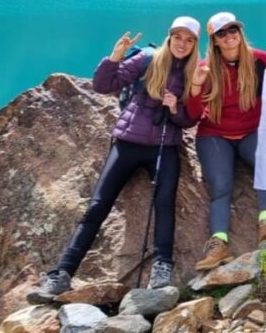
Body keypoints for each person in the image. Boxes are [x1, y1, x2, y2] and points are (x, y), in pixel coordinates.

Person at [27, 17, 201, 303]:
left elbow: (190, 118)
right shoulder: (148, 59)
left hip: (164, 146)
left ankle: (162, 267)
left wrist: (174, 108)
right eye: (177, 37)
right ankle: (62, 273)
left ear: (195, 44)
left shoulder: (196, 72)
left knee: (165, 203)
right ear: (169, 37)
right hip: (128, 142)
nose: (182, 43)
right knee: (97, 207)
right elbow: (102, 85)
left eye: (189, 39)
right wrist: (116, 55)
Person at [188, 12, 266, 272]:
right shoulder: (205, 68)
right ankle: (219, 243)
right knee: (221, 187)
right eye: (222, 33)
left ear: (240, 32)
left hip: (251, 131)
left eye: (233, 30)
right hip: (214, 135)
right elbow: (193, 114)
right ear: (214, 41)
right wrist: (196, 90)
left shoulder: (259, 61)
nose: (229, 36)